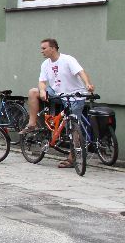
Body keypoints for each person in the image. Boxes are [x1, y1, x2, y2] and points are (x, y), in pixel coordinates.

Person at [23, 38, 95, 168]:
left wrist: (88, 84)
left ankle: (72, 159)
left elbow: (81, 72)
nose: (42, 51)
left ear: (53, 48)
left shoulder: (67, 60)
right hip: (57, 93)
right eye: (41, 48)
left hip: (74, 95)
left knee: (74, 125)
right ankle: (32, 123)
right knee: (33, 92)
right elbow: (42, 81)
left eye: (44, 48)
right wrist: (43, 90)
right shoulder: (45, 64)